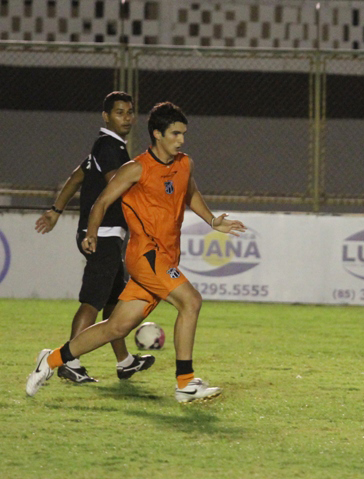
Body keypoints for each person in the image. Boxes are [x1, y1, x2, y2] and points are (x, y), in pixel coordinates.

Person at [27, 101, 246, 403]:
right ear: (157, 134)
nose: (181, 140)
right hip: (145, 255)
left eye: (183, 133)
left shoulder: (184, 163)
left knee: (116, 326)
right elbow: (102, 202)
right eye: (175, 133)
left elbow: (189, 192)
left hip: (166, 256)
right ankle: (185, 383)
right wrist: (91, 234)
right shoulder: (136, 169)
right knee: (191, 301)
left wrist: (212, 220)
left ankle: (50, 360)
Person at [34, 91, 155, 384]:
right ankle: (68, 361)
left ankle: (125, 362)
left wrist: (54, 210)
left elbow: (77, 176)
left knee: (114, 302)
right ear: (106, 117)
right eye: (119, 112)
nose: (126, 117)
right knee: (92, 301)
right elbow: (117, 182)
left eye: (129, 112)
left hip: (103, 233)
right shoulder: (109, 146)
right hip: (101, 234)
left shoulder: (103, 147)